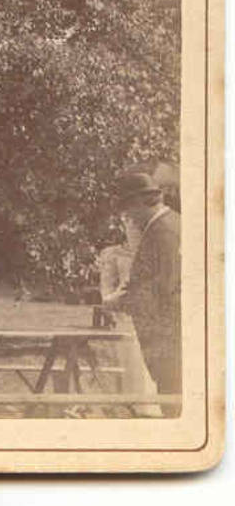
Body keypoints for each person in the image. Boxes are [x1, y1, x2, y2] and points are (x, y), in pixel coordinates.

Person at [109, 172, 182, 416]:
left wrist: (121, 301)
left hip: (168, 339)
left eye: (128, 208)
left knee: (173, 405)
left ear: (141, 202)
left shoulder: (163, 232)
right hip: (170, 337)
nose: (128, 216)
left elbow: (163, 288)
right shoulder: (172, 223)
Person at [97, 234, 163, 418]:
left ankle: (151, 406)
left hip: (152, 316)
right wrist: (112, 305)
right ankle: (128, 405)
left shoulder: (156, 249)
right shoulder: (114, 254)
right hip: (125, 317)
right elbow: (106, 288)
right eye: (128, 222)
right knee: (128, 361)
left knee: (149, 361)